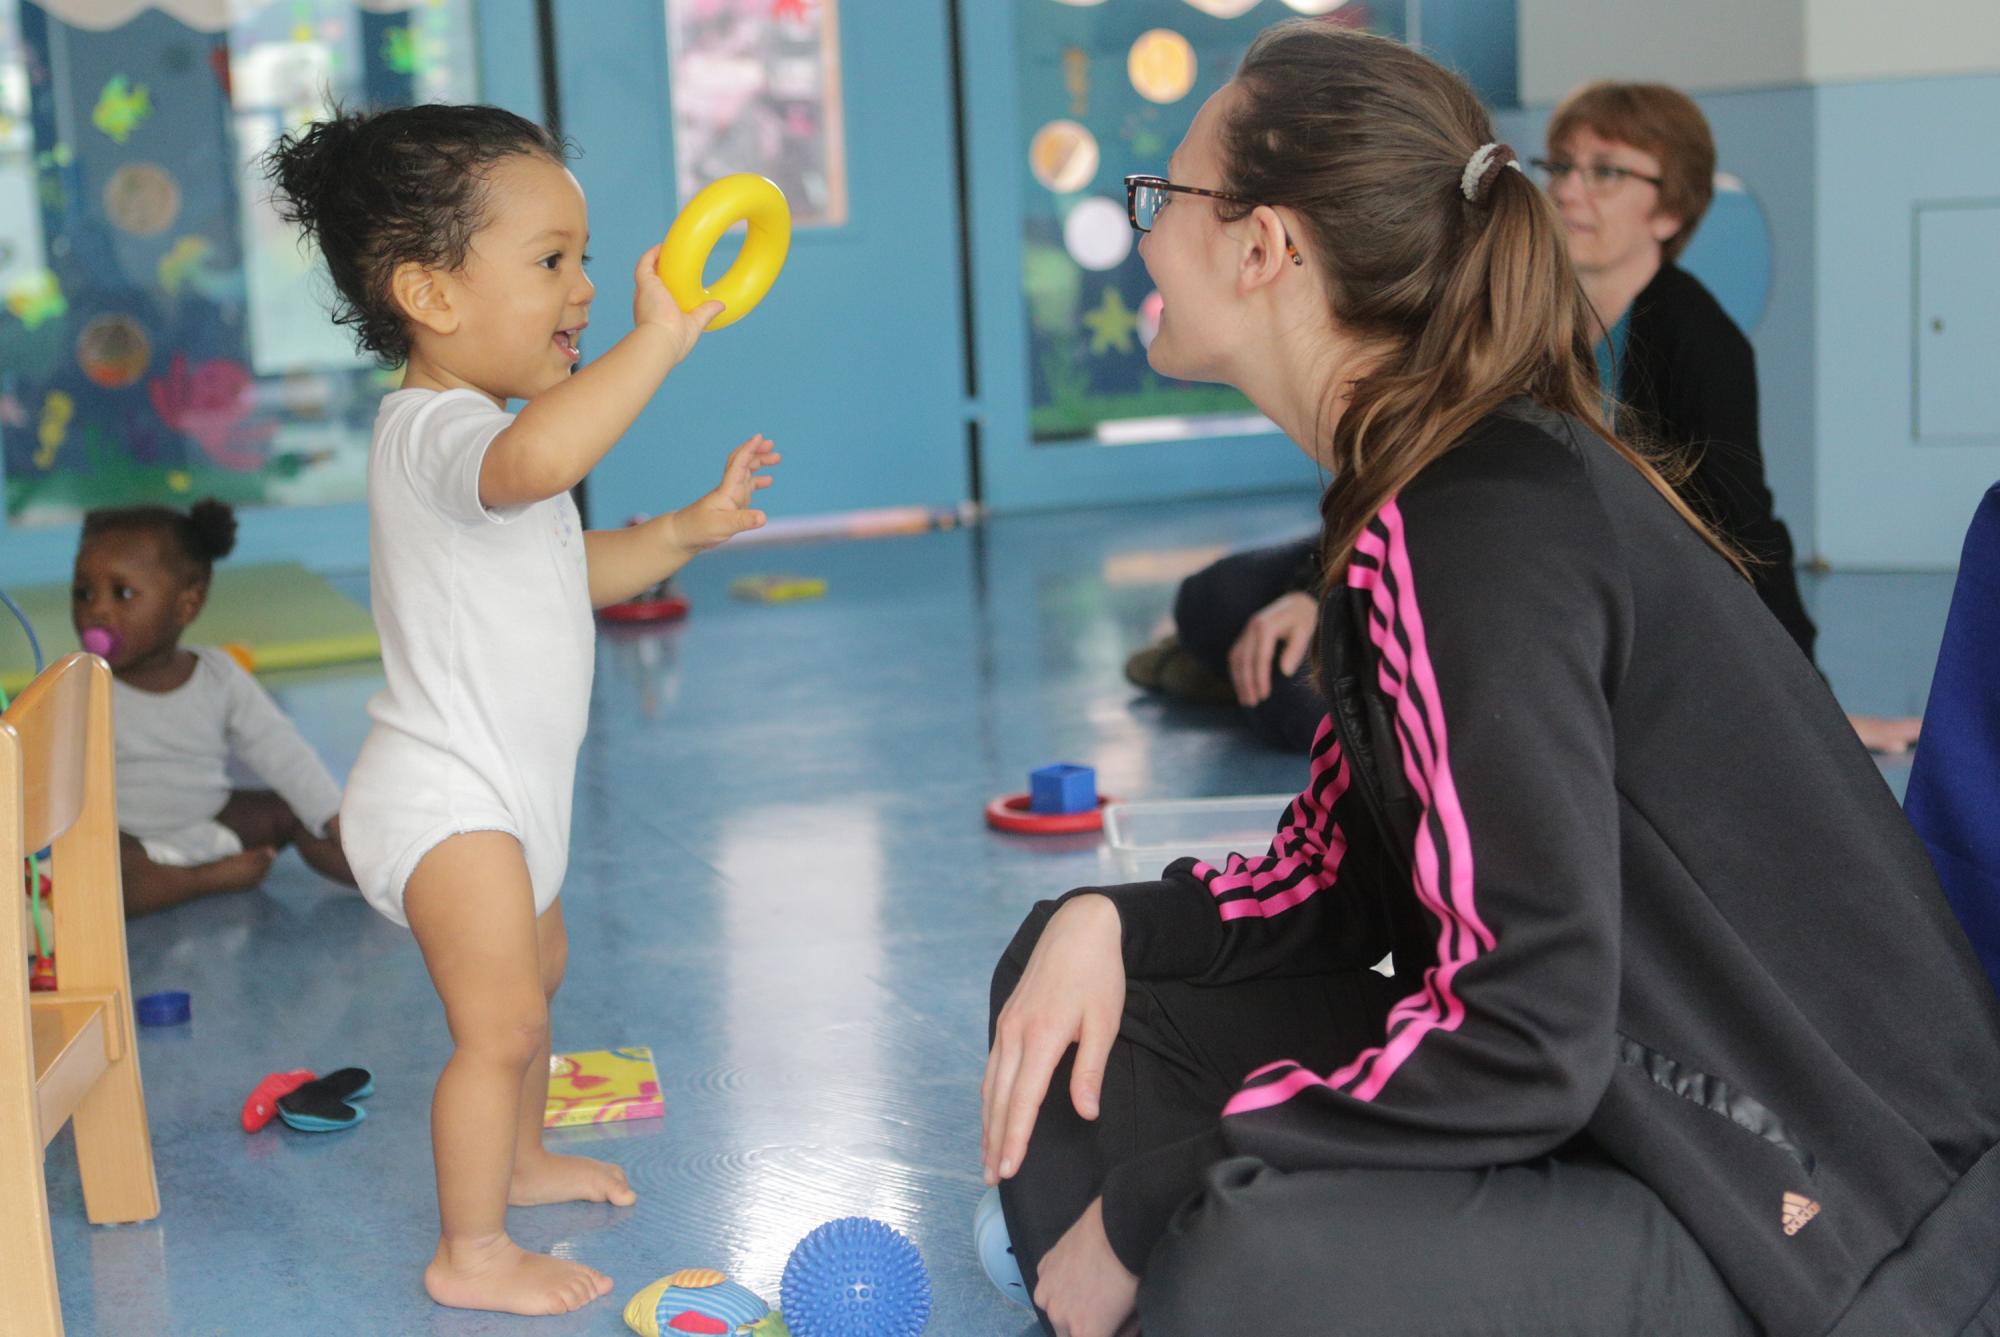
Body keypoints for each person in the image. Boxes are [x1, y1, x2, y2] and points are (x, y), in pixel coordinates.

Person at [984, 22, 2000, 1337]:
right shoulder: (1423, 497)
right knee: (1082, 997)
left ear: (1264, 245)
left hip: (1830, 1209)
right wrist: (1108, 924)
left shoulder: (1473, 523)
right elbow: (1342, 886)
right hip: (1626, 1097)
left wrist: (1158, 1202)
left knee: (1236, 1252)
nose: (1144, 233)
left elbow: (1528, 1024)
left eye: (1161, 198)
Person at [265, 104, 778, 1317]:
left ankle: (526, 1154)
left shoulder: (488, 438)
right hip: (444, 797)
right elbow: (543, 466)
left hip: (507, 789)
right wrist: (657, 347)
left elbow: (564, 564)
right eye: (552, 262)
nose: (588, 289)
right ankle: (471, 1247)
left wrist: (678, 533)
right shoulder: (435, 431)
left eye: (585, 260)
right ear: (431, 296)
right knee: (496, 1024)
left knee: (536, 976)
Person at [1134, 80, 1924, 758]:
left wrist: (1810, 707)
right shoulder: (1524, 309)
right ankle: (1231, 648)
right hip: (1436, 532)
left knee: (1304, 697)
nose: (1573, 190)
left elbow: (1744, 525)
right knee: (1213, 596)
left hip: (1536, 580)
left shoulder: (1695, 338)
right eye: (1564, 166)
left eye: (1607, 173)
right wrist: (1323, 588)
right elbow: (1407, 469)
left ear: (1670, 209)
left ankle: (1235, 662)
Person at [70, 498, 355, 915]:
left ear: (186, 604)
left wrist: (334, 817)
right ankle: (205, 880)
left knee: (297, 809)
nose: (96, 610)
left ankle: (389, 882)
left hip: (211, 818)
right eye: (83, 593)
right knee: (95, 875)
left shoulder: (219, 676)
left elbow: (281, 750)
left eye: (122, 593)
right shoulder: (80, 683)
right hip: (124, 840)